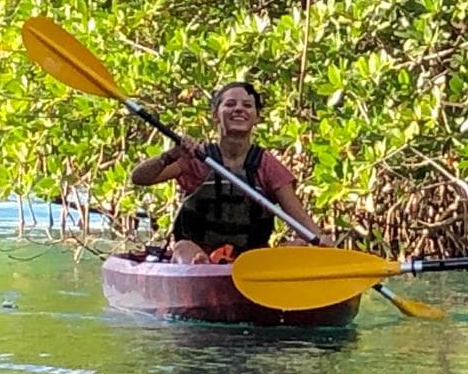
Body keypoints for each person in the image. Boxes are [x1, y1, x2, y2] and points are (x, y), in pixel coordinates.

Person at [130, 81, 332, 264]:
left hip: (250, 259)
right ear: (215, 114)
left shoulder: (267, 165)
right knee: (184, 248)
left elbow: (298, 216)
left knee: (298, 246)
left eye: (247, 105)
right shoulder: (195, 158)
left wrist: (320, 238)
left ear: (256, 117)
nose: (238, 109)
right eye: (230, 104)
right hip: (198, 252)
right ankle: (202, 269)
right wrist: (172, 154)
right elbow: (139, 178)